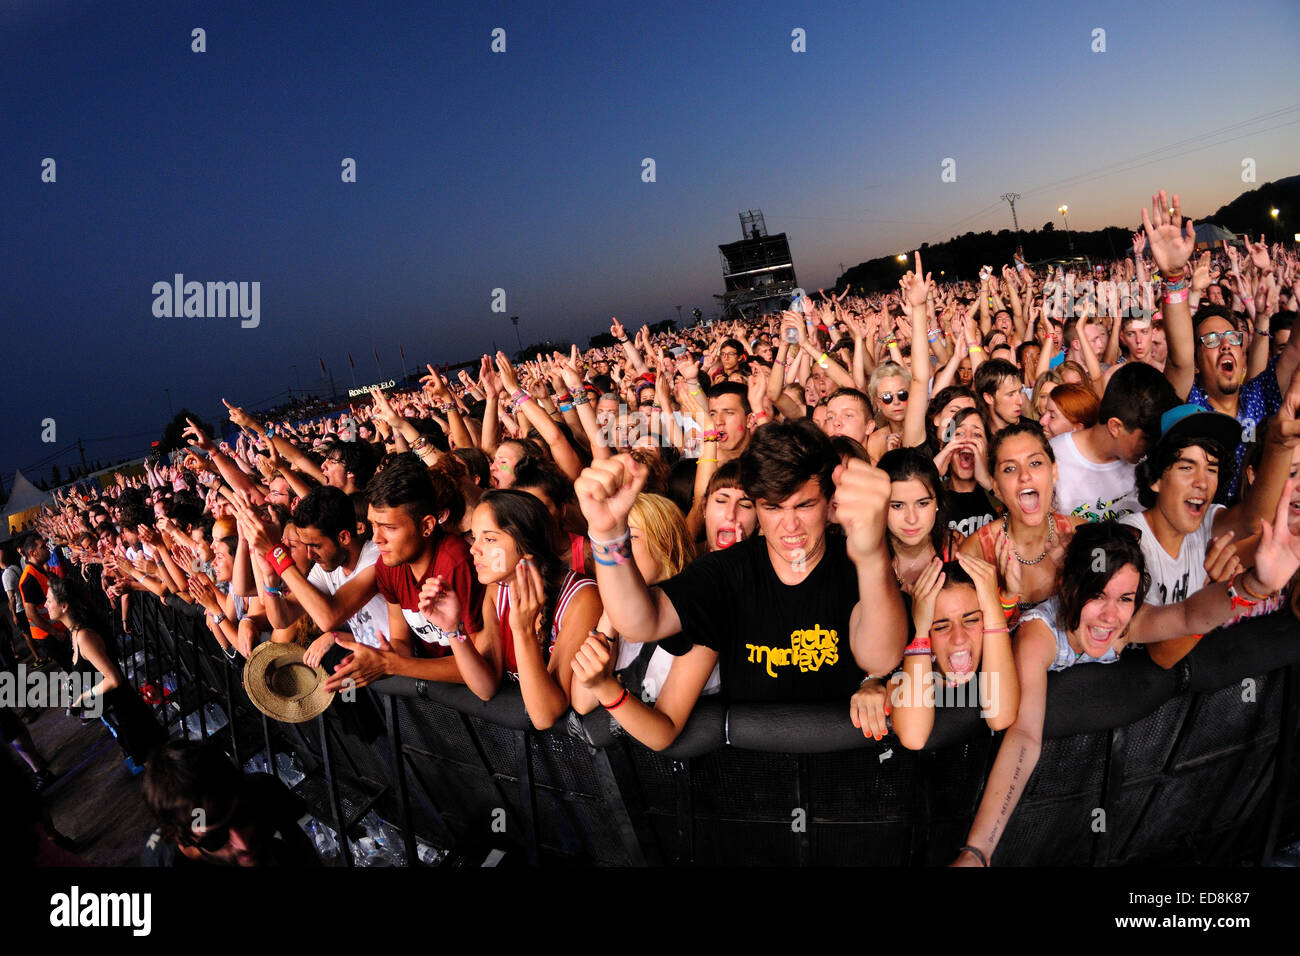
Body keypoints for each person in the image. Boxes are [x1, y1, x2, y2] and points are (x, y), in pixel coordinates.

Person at [954, 515, 1300, 866]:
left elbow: (1189, 616)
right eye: (1097, 594)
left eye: (1124, 598)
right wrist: (977, 852)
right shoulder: (1038, 636)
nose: (1109, 616)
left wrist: (1253, 585)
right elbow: (1025, 736)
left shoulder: (1127, 624)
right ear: (1069, 586)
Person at [575, 420, 908, 704]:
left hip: (843, 769)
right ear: (758, 505)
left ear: (829, 503)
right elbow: (639, 623)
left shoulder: (852, 564)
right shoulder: (727, 571)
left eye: (804, 506)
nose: (790, 525)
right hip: (749, 773)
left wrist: (873, 554)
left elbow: (879, 656)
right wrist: (608, 536)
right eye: (774, 508)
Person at [1119, 393, 1300, 668]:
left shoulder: (1208, 523)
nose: (1202, 482)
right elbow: (1163, 656)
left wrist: (1279, 444)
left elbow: (1255, 522)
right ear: (1155, 478)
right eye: (1186, 467)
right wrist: (1220, 593)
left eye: (1212, 468)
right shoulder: (1130, 542)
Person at [417, 489, 601, 730]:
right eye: (475, 537)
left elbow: (545, 715)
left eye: (490, 539)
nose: (474, 549)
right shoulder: (498, 589)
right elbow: (485, 688)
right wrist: (454, 629)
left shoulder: (582, 598)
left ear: (526, 546)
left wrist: (523, 632)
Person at [570, 494, 721, 750]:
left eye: (629, 538)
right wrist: (612, 605)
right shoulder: (615, 617)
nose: (615, 553)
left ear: (665, 547)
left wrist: (605, 686)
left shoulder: (698, 616)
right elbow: (583, 701)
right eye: (607, 544)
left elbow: (662, 735)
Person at [856, 550, 1018, 746]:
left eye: (972, 620)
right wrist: (919, 631)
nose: (959, 638)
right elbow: (913, 737)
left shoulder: (994, 653)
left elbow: (1001, 717)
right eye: (941, 626)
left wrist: (993, 605)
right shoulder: (900, 672)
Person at [961, 422, 1084, 619]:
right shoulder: (975, 552)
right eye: (1009, 469)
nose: (1024, 476)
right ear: (996, 486)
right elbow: (972, 638)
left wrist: (1072, 574)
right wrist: (1007, 598)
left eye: (1035, 463)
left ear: (1054, 472)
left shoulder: (1082, 534)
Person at [45, 576, 166, 771]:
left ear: (65, 605)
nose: (45, 604)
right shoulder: (75, 633)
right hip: (118, 714)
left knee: (159, 771)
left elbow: (113, 679)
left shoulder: (84, 636)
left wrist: (84, 695)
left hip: (127, 713)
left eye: (49, 600)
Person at [142, 739, 320, 867]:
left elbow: (300, 846)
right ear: (181, 838)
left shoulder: (264, 792)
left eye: (241, 816)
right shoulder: (164, 862)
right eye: (215, 838)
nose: (243, 843)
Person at [1050, 362, 1178, 521]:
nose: (1151, 445)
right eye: (1146, 438)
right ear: (1115, 426)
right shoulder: (1053, 457)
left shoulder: (1149, 462)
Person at [878, 447, 958, 594]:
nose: (912, 519)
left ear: (938, 503)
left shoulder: (956, 550)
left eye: (922, 504)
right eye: (897, 506)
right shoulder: (866, 557)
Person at [973, 359, 1024, 435]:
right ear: (989, 398)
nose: (1020, 401)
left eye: (1020, 391)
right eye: (1010, 394)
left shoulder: (1034, 433)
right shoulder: (976, 436)